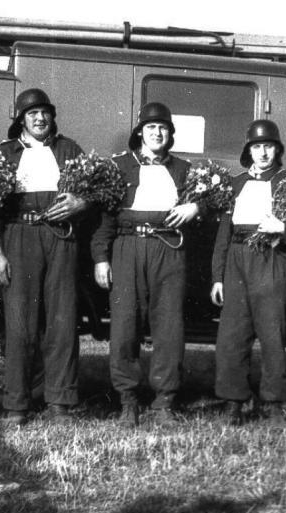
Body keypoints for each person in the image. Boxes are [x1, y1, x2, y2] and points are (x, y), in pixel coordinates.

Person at [91, 102, 201, 427]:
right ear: (140, 132)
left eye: (163, 128)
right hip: (128, 248)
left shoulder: (183, 168)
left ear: (170, 135)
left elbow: (215, 196)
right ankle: (128, 402)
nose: (157, 132)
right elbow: (105, 218)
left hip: (168, 249)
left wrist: (196, 207)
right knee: (124, 326)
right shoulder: (120, 166)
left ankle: (164, 402)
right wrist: (101, 258)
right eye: (151, 127)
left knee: (169, 328)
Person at [0, 88, 87, 425]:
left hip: (61, 238)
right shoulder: (5, 154)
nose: (40, 118)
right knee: (19, 324)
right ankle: (16, 404)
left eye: (44, 112)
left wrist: (81, 203)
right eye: (32, 114)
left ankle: (60, 402)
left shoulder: (69, 149)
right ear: (21, 119)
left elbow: (95, 191)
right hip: (19, 237)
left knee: (61, 321)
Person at [210, 119, 286, 430]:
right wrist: (217, 277)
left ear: (277, 150)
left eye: (268, 146)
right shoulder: (236, 184)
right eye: (257, 147)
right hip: (236, 263)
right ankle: (233, 402)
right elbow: (223, 235)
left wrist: (283, 228)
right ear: (249, 151)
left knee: (271, 335)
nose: (263, 152)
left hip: (271, 259)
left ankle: (274, 405)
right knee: (232, 336)